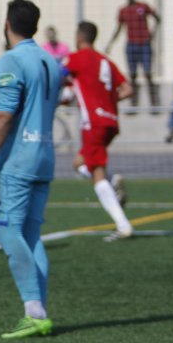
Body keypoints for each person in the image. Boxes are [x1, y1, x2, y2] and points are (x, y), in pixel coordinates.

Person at [0, 0, 62, 339]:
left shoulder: (11, 59)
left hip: (18, 160)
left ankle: (34, 310)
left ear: (7, 25)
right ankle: (39, 313)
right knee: (30, 236)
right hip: (45, 156)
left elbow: (4, 115)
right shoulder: (51, 60)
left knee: (6, 232)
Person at [63, 21, 134, 240]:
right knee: (79, 164)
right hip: (111, 121)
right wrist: (107, 101)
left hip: (93, 123)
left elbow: (57, 76)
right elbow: (128, 89)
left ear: (79, 37)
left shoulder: (76, 58)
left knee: (96, 174)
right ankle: (112, 180)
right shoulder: (106, 61)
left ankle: (123, 225)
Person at [105, 0, 160, 111]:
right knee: (133, 75)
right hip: (132, 44)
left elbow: (157, 19)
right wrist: (110, 44)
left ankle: (154, 103)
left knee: (148, 74)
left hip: (144, 44)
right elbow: (119, 28)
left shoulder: (143, 6)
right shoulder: (123, 10)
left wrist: (152, 34)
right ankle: (134, 104)